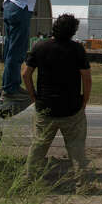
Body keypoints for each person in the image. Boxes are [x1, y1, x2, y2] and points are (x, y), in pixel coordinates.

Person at [23, 13, 91, 181]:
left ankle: (28, 180)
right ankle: (82, 184)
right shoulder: (77, 49)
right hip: (71, 108)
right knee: (76, 148)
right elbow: (86, 78)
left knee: (38, 146)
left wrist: (33, 96)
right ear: (73, 31)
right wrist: (84, 101)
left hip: (45, 106)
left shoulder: (40, 47)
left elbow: (25, 74)